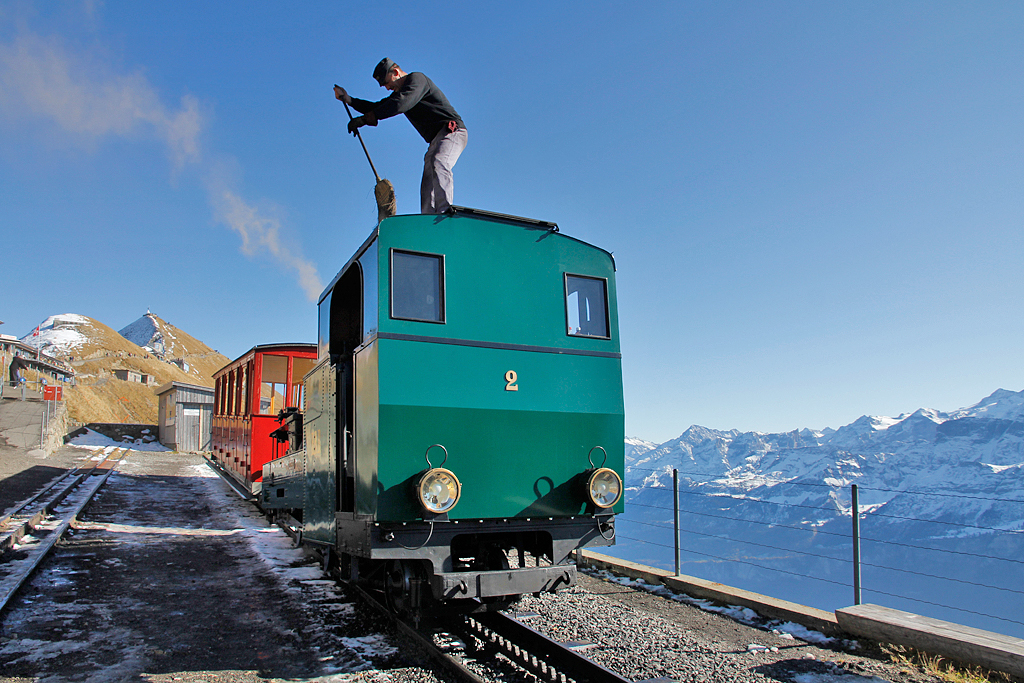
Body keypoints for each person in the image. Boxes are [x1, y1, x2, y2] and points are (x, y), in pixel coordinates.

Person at [335, 58, 467, 215]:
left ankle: (444, 211)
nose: (387, 88)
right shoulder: (400, 93)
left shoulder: (417, 80)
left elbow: (399, 104)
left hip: (453, 132)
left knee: (439, 161)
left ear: (396, 72)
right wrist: (349, 100)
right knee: (428, 176)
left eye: (387, 83)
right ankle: (428, 218)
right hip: (436, 139)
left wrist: (364, 120)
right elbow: (379, 107)